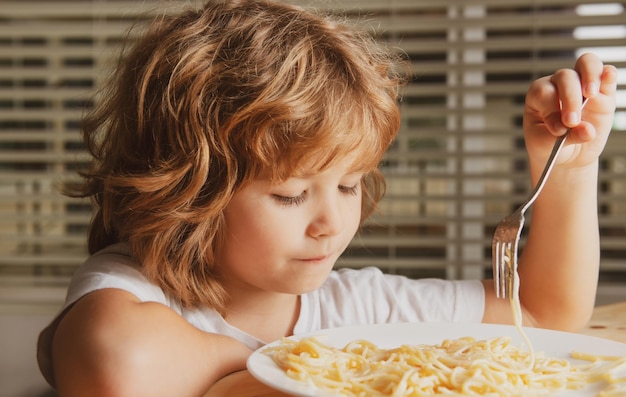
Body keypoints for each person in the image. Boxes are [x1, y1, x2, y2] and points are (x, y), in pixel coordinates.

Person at [36, 0, 617, 396]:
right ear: (186, 195)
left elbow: (544, 314)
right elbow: (114, 362)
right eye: (290, 195)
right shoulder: (133, 289)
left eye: (348, 184)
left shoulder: (358, 309)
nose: (332, 222)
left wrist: (565, 168)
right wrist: (329, 369)